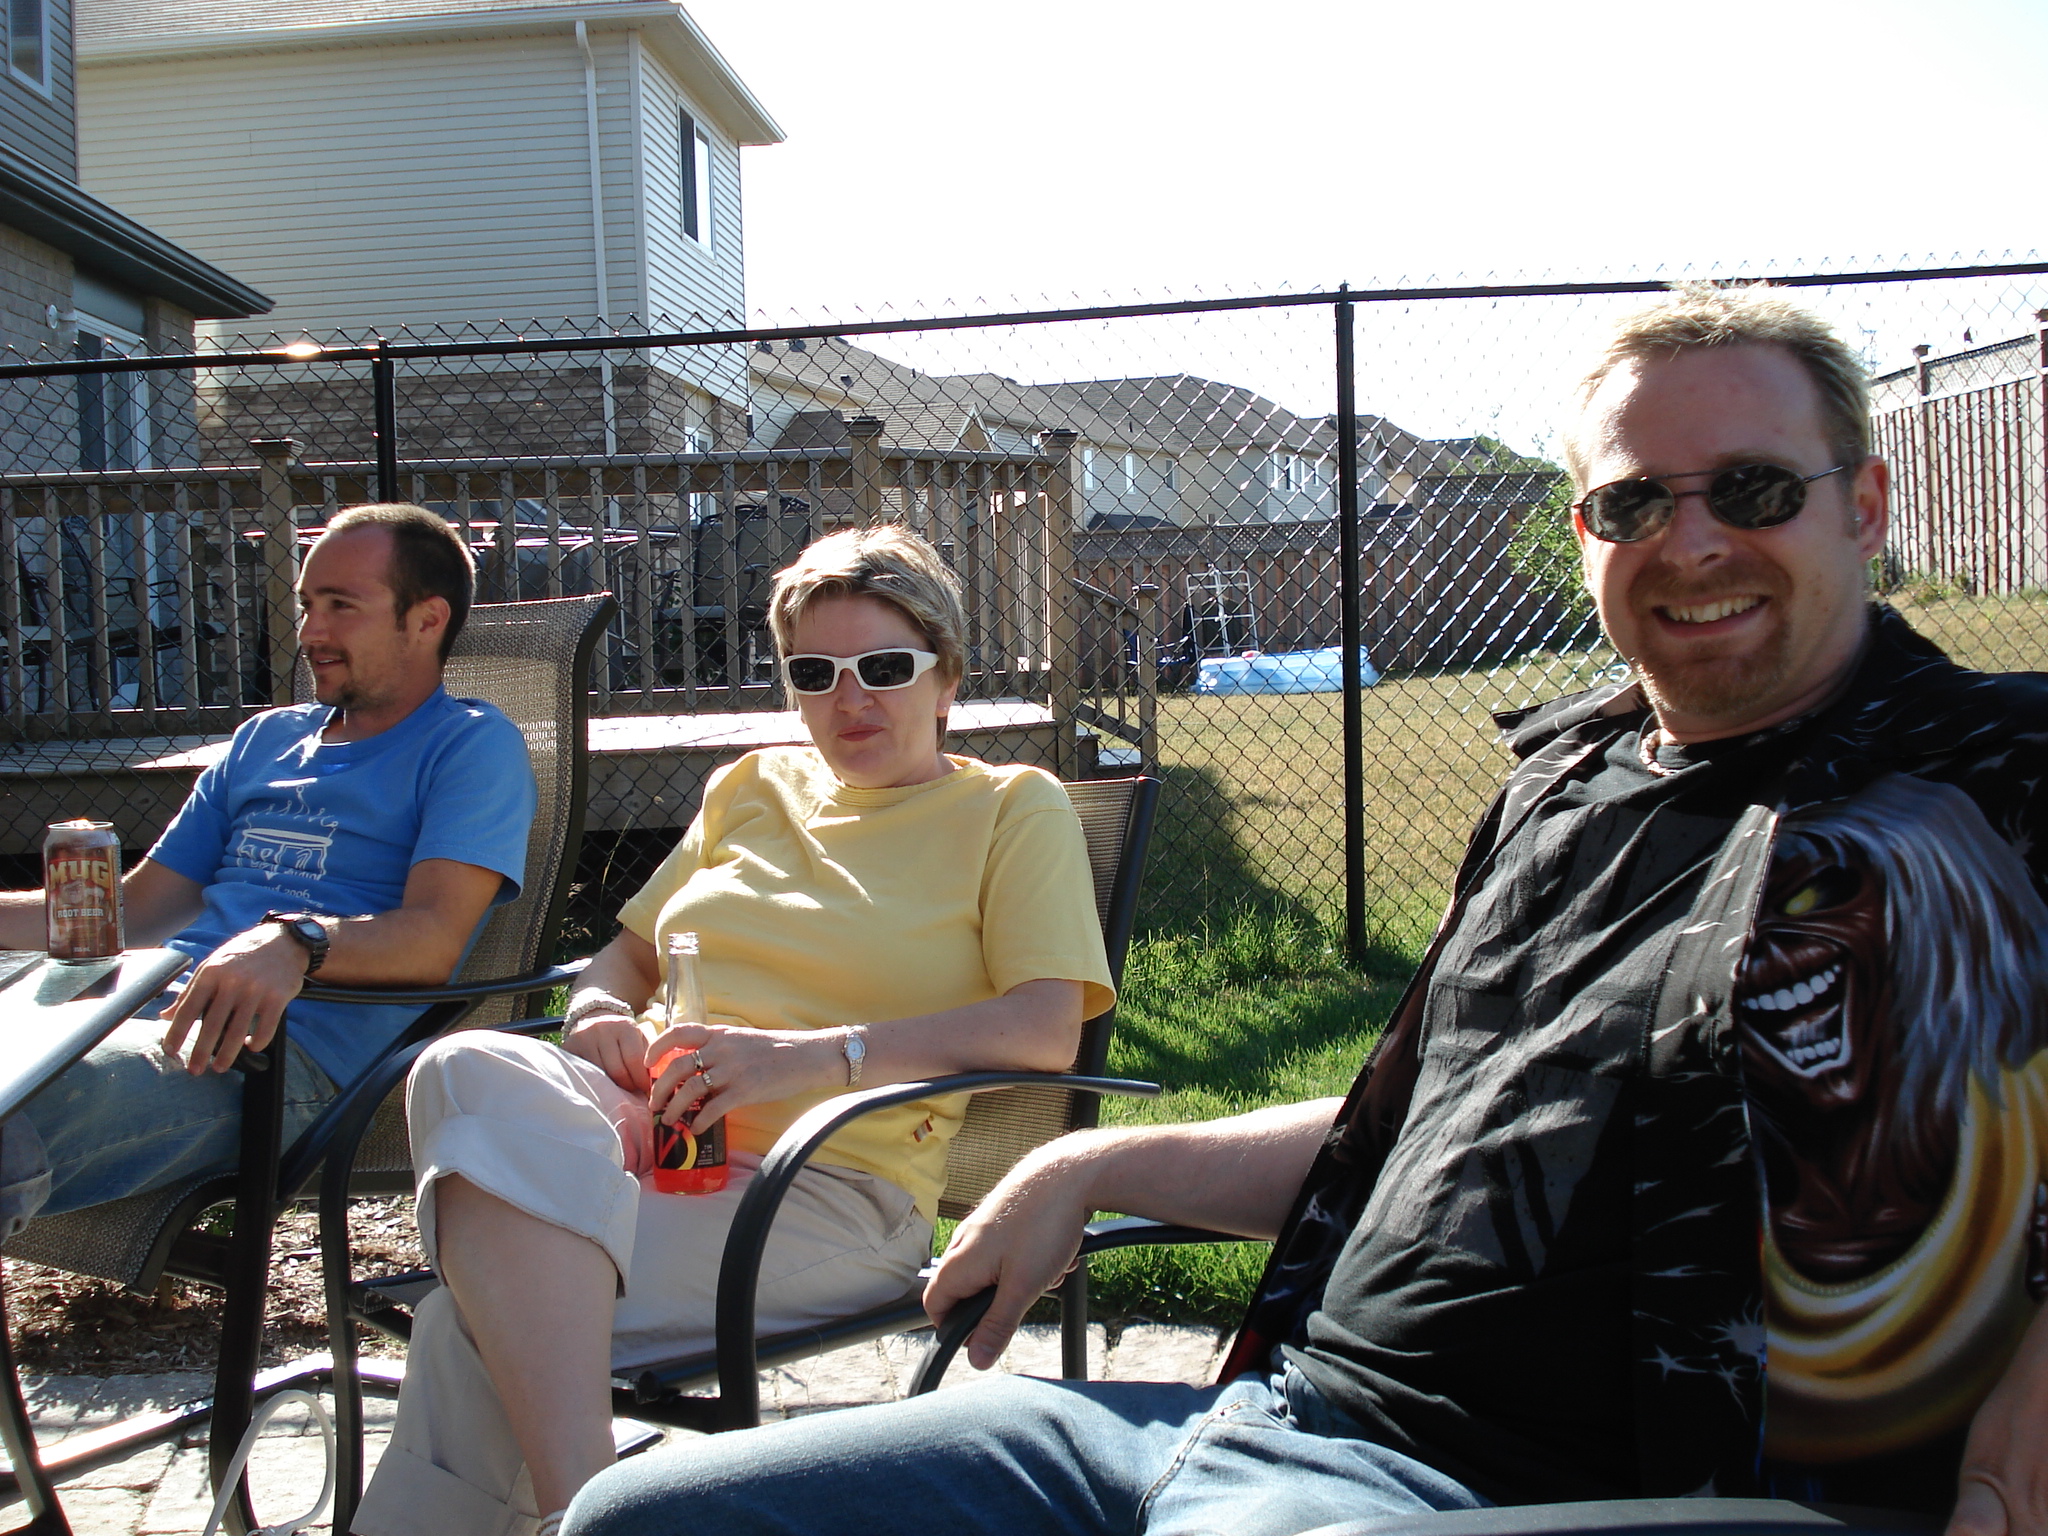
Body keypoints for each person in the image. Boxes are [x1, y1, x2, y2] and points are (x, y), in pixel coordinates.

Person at [560, 284, 2048, 1536]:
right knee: (638, 1518)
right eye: (1634, 500)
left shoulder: (1995, 777)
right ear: (1587, 532)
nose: (1694, 539)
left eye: (1755, 489)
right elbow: (1414, 1120)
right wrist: (1096, 1162)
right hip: (1253, 1414)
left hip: (1527, 1493)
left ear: (1865, 504)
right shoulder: (1559, 786)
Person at [350, 524, 1117, 1536]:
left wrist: (803, 1059)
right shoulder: (751, 788)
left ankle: (588, 1506)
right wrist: (598, 1016)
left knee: (469, 1321)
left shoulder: (1011, 810)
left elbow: (1044, 1026)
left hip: (826, 1189)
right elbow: (624, 958)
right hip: (640, 1142)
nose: (849, 699)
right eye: (814, 673)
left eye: (885, 668)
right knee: (460, 1065)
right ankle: (600, 1510)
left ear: (947, 679)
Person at [0, 503, 536, 1230]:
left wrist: (295, 941)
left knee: (13, 1116)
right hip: (132, 1004)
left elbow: (434, 938)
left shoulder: (470, 746)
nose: (310, 632)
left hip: (275, 1055)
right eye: (308, 605)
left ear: (426, 619)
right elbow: (132, 912)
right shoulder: (264, 739)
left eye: (341, 606)